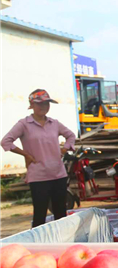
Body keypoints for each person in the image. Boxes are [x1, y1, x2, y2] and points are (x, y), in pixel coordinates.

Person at [1, 89, 76, 227]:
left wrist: (65, 148)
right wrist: (25, 154)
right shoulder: (24, 124)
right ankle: (38, 245)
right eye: (39, 103)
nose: (44, 106)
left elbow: (71, 136)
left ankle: (62, 244)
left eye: (47, 103)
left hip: (58, 174)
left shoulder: (54, 123)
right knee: (40, 215)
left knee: (61, 214)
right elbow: (6, 141)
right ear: (31, 105)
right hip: (38, 176)